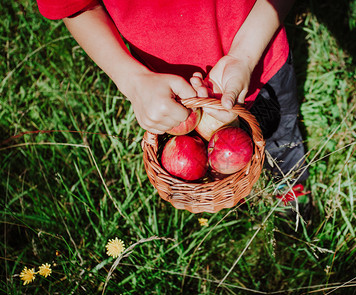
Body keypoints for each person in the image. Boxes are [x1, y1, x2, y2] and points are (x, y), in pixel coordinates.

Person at [36, 0, 309, 190]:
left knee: (281, 133)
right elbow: (74, 6)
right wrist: (133, 81)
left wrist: (245, 54)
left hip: (261, 60)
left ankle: (290, 188)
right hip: (173, 90)